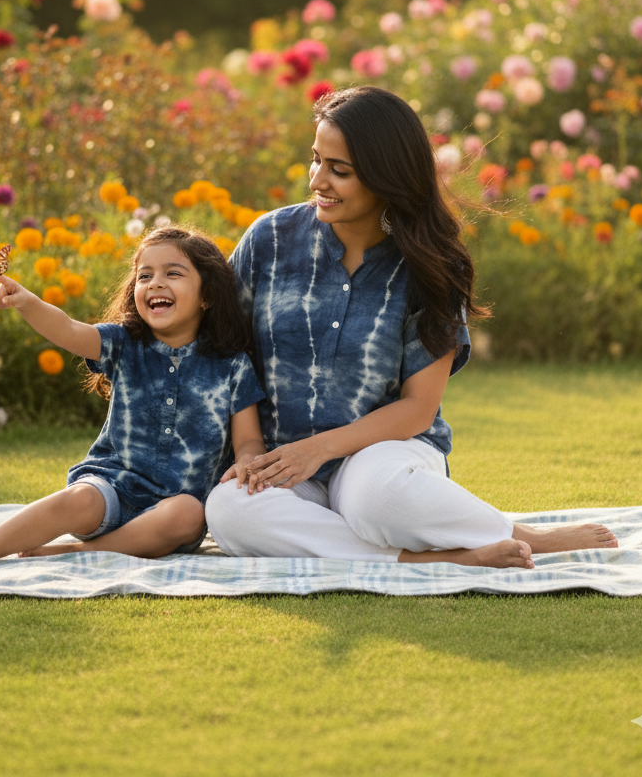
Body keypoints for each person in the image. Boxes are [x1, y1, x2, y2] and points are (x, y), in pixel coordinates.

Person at [207, 86, 618, 568]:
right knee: (230, 510)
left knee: (374, 501)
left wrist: (318, 451)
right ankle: (429, 559)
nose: (318, 179)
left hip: (384, 454)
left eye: (340, 170)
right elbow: (226, 351)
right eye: (316, 160)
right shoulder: (269, 240)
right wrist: (251, 449)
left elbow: (418, 409)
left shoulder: (432, 266)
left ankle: (516, 533)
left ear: (387, 176)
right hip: (283, 460)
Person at [0, 226, 266, 571]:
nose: (155, 283)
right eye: (144, 276)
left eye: (172, 273)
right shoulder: (124, 343)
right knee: (79, 499)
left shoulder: (231, 365)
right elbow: (69, 330)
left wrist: (247, 461)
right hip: (109, 489)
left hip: (169, 513)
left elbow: (248, 439)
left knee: (189, 514)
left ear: (207, 295)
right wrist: (28, 302)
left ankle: (75, 552)